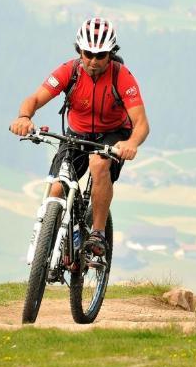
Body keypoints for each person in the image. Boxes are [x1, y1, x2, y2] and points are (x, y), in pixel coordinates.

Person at [9, 17, 148, 257]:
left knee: (98, 163)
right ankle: (55, 249)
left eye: (101, 55)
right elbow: (34, 99)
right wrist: (24, 117)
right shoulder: (69, 71)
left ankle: (98, 233)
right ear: (79, 50)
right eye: (88, 54)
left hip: (112, 135)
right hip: (77, 134)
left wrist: (131, 143)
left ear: (111, 54)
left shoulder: (122, 77)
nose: (94, 61)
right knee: (55, 190)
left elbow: (141, 124)